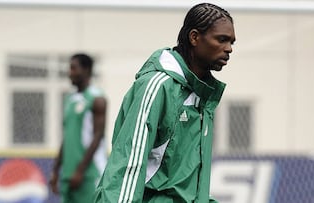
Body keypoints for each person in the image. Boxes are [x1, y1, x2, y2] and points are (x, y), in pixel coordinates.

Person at [95, 3, 235, 203]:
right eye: (221, 40)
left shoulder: (202, 96)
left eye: (232, 42)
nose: (229, 49)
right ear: (194, 37)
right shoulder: (156, 87)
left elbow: (180, 180)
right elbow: (128, 164)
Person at [49, 53, 108, 203]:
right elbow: (67, 137)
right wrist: (56, 170)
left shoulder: (97, 98)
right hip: (69, 174)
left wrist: (80, 171)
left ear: (86, 69)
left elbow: (98, 135)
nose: (70, 72)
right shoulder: (70, 99)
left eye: (73, 68)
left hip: (89, 173)